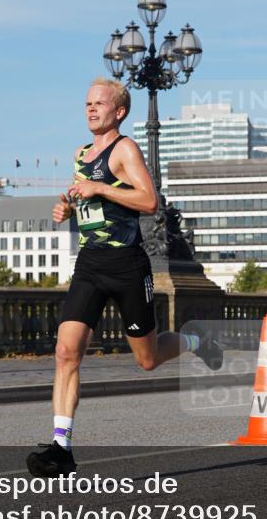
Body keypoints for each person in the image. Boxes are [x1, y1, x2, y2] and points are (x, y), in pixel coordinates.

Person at [27, 77, 223, 477]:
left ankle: (195, 339)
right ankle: (61, 448)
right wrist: (67, 209)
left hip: (127, 266)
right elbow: (89, 204)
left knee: (147, 359)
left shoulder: (125, 149)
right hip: (90, 265)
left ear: (119, 112)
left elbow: (150, 201)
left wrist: (99, 187)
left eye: (99, 104)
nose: (91, 109)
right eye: (87, 103)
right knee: (66, 352)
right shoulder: (81, 154)